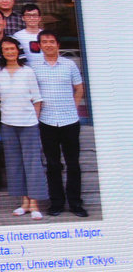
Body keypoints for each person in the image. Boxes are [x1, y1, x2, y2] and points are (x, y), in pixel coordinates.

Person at [32, 30, 87, 217]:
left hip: (69, 121)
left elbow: (79, 88)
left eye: (51, 41)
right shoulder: (34, 67)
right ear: (39, 45)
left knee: (73, 164)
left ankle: (75, 203)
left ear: (58, 45)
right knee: (52, 164)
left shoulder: (69, 64)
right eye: (44, 42)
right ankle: (56, 203)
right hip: (46, 121)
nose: (48, 44)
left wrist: (73, 106)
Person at [0, 37, 47, 220]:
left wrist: (35, 120)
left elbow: (37, 99)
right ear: (2, 52)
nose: (10, 52)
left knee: (32, 163)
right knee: (15, 163)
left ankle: (34, 203)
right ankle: (24, 202)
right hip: (8, 123)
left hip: (28, 124)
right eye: (6, 49)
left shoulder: (27, 71)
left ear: (18, 50)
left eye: (12, 49)